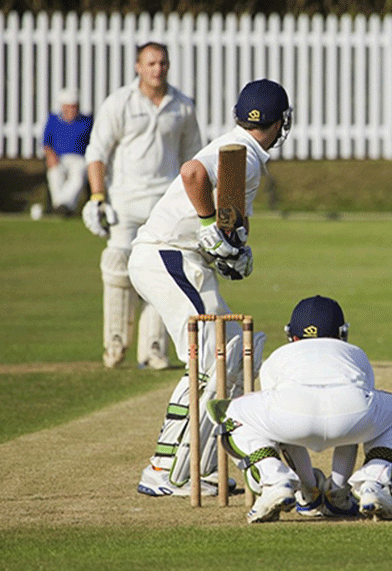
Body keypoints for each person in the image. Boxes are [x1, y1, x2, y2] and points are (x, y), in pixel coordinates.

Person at [131, 78, 292, 498]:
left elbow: (231, 216)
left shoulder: (243, 152)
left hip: (184, 260)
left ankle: (198, 465)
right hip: (167, 254)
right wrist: (207, 226)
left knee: (233, 349)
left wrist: (236, 249)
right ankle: (163, 468)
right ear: (282, 122)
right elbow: (193, 174)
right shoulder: (239, 153)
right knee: (209, 356)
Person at [206, 295, 392, 523]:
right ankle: (370, 484)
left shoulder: (279, 356)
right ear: (341, 332)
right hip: (352, 413)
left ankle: (279, 483)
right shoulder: (354, 352)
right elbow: (356, 410)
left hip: (288, 415)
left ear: (291, 334)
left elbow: (279, 428)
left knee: (231, 414)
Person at [82, 42, 202, 370]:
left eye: (162, 63)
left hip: (165, 203)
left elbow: (193, 159)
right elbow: (97, 153)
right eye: (150, 63)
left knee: (161, 269)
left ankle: (153, 348)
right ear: (138, 66)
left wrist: (194, 203)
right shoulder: (119, 102)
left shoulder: (182, 106)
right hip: (124, 200)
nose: (157, 69)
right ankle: (116, 344)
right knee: (117, 266)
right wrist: (97, 197)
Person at [41, 88, 93, 217]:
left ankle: (61, 205)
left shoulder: (87, 121)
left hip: (80, 158)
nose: (72, 110)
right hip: (59, 158)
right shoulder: (53, 120)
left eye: (74, 107)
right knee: (55, 174)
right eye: (69, 107)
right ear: (63, 107)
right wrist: (50, 156)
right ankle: (63, 207)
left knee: (78, 176)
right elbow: (46, 143)